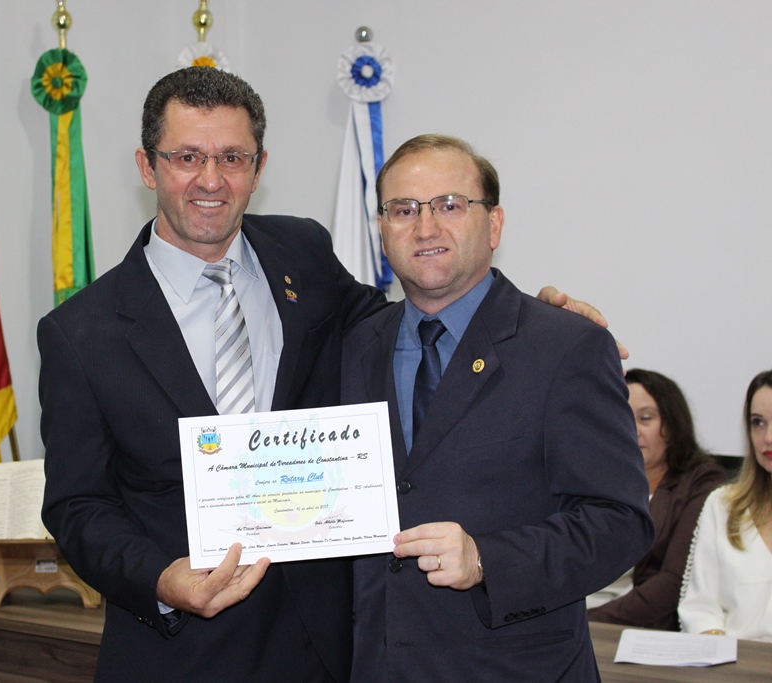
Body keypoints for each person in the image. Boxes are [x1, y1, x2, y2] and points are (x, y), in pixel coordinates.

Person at [39, 68, 617, 683]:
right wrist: (161, 580)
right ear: (147, 167)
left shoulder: (303, 253)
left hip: (330, 649)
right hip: (180, 654)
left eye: (232, 157)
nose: (211, 179)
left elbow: (407, 324)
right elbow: (78, 505)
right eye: (187, 157)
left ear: (259, 168)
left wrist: (534, 323)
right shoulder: (80, 332)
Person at [341, 134, 654, 682]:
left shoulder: (566, 346)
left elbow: (620, 523)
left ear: (494, 224)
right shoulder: (354, 346)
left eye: (449, 205)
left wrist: (486, 559)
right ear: (382, 231)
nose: (425, 227)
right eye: (404, 209)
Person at [588, 369, 725, 629]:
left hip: (632, 624)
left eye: (645, 418)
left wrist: (588, 623)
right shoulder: (593, 475)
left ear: (672, 426)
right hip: (576, 609)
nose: (632, 429)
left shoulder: (699, 482)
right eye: (622, 416)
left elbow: (672, 581)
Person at [679, 370, 772, 642]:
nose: (767, 437)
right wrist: (719, 651)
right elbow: (700, 607)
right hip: (733, 658)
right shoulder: (723, 505)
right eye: (758, 422)